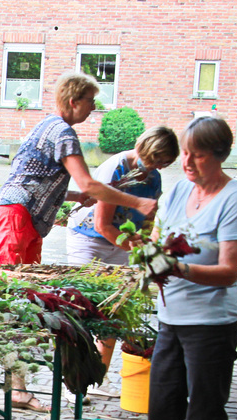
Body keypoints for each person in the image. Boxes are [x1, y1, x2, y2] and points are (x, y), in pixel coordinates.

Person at [0, 71, 159, 412]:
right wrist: (137, 202)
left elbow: (37, 176)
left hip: (25, 221)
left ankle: (17, 390)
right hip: (14, 218)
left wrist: (72, 196)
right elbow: (89, 183)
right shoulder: (63, 132)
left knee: (20, 304)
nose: (93, 108)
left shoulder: (48, 126)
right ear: (74, 101)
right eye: (91, 101)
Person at [134, 116, 237, 420]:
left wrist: (179, 268)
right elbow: (157, 241)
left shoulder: (235, 199)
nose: (187, 162)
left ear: (219, 156)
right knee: (162, 415)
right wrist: (148, 258)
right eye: (185, 152)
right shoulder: (178, 191)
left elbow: (229, 272)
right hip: (172, 319)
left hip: (211, 325)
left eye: (197, 155)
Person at [66, 126, 179, 391]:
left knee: (113, 312)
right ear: (145, 150)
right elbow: (103, 225)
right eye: (156, 160)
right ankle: (75, 383)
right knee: (85, 310)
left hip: (119, 241)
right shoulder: (115, 169)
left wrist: (149, 243)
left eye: (164, 163)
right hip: (90, 239)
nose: (158, 167)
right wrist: (139, 251)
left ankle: (97, 379)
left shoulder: (154, 177)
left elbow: (149, 219)